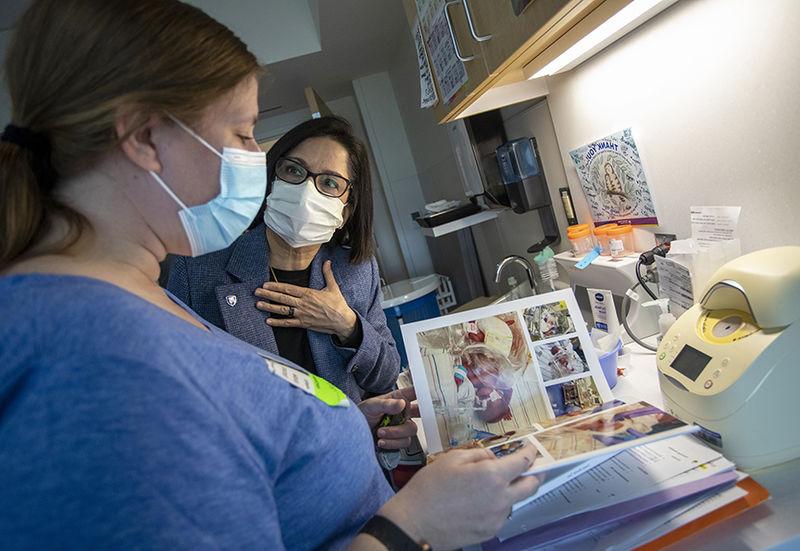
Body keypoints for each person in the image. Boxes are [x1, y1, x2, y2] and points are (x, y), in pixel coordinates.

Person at [0, 1, 540, 550]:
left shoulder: (123, 296)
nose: (254, 159)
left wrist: (345, 418)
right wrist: (413, 525)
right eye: (242, 132)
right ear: (144, 137)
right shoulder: (93, 357)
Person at [165, 116, 400, 402]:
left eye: (329, 182)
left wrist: (347, 326)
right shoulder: (197, 269)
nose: (306, 192)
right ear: (272, 180)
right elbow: (175, 383)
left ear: (347, 209)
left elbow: (386, 374)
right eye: (293, 170)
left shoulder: (356, 270)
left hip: (344, 440)